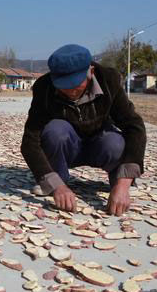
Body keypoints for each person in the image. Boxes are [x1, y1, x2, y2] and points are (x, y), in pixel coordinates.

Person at [20, 44, 146, 216]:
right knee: (54, 131)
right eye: (63, 86)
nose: (70, 92)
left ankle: (118, 183)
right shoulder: (44, 87)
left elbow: (135, 127)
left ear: (91, 72)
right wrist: (55, 185)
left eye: (75, 85)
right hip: (67, 145)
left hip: (100, 143)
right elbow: (30, 141)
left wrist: (124, 184)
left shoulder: (109, 81)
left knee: (115, 142)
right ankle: (59, 180)